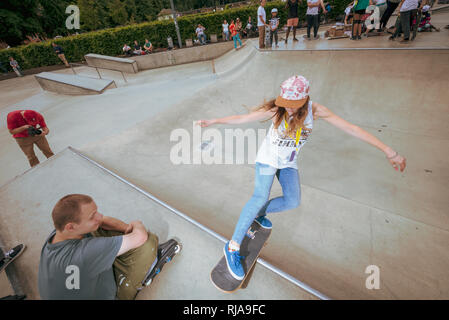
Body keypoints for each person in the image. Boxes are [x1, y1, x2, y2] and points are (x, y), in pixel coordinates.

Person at [196, 75, 406, 281]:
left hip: (288, 162)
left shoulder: (316, 110)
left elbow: (352, 128)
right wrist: (215, 120)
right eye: (285, 103)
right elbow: (242, 118)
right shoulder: (275, 109)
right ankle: (232, 247)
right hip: (268, 160)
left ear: (305, 99)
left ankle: (257, 212)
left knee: (292, 201)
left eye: (293, 105)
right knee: (260, 196)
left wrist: (388, 150)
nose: (288, 108)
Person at [38, 194, 175, 300]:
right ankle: (141, 276)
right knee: (148, 243)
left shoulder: (59, 234)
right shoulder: (83, 253)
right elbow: (140, 237)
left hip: (78, 286)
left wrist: (127, 228)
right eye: (93, 216)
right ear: (71, 226)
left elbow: (103, 221)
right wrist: (135, 223)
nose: (100, 216)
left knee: (97, 228)